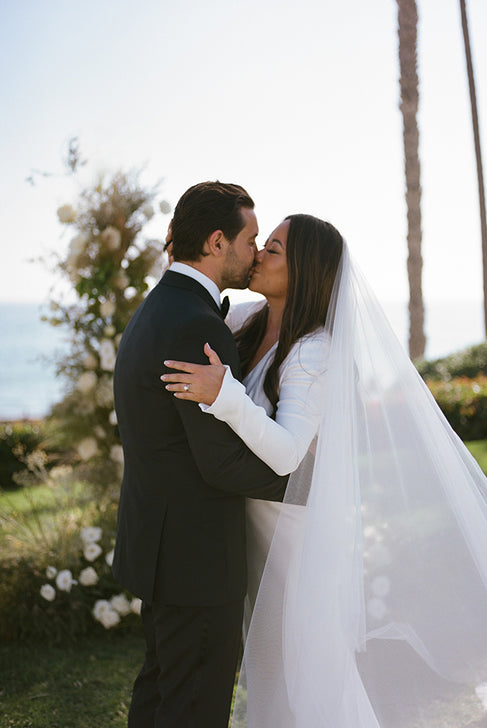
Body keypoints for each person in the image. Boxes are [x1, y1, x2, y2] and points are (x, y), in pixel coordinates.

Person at [161, 214, 487, 727]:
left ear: (306, 270)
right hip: (250, 521)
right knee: (269, 668)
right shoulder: (243, 319)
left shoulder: (315, 350)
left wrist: (224, 395)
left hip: (296, 537)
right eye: (262, 243)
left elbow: (289, 453)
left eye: (274, 249)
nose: (260, 254)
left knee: (312, 671)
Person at [112, 181, 288, 728]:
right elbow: (220, 461)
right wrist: (304, 481)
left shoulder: (161, 306)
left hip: (162, 547)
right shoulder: (195, 324)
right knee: (193, 709)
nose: (256, 253)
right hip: (196, 560)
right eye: (251, 239)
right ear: (217, 242)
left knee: (163, 697)